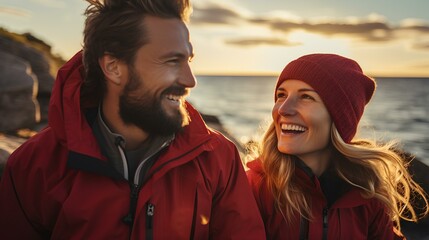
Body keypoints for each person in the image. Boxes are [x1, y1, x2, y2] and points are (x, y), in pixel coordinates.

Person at [0, 0, 266, 239]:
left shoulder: (219, 159)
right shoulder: (35, 165)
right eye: (172, 61)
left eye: (188, 61)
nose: (190, 80)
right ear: (114, 68)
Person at [246, 53, 428, 239]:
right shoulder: (252, 188)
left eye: (306, 97)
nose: (283, 109)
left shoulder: (367, 196)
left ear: (340, 119)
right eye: (281, 95)